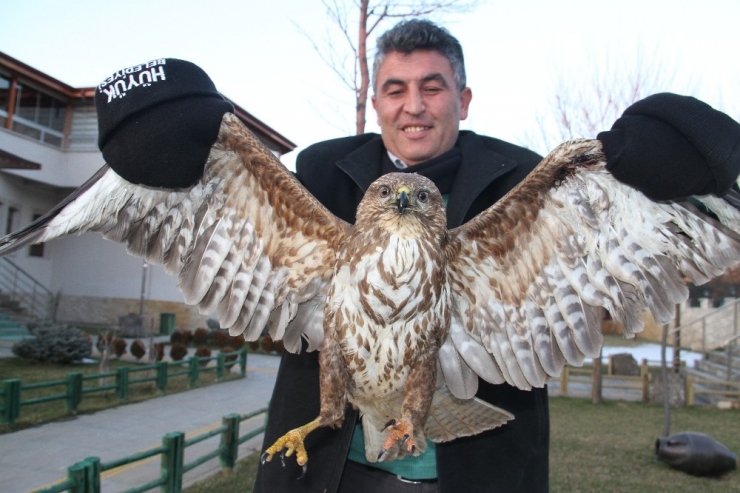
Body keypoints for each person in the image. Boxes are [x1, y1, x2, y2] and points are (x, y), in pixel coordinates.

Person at [254, 19, 740, 493]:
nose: (414, 106)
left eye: (433, 87)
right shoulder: (319, 176)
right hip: (334, 474)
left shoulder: (524, 184)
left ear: (463, 101)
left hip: (473, 472)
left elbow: (616, 239)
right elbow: (221, 192)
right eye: (396, 89)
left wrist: (687, 166)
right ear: (377, 102)